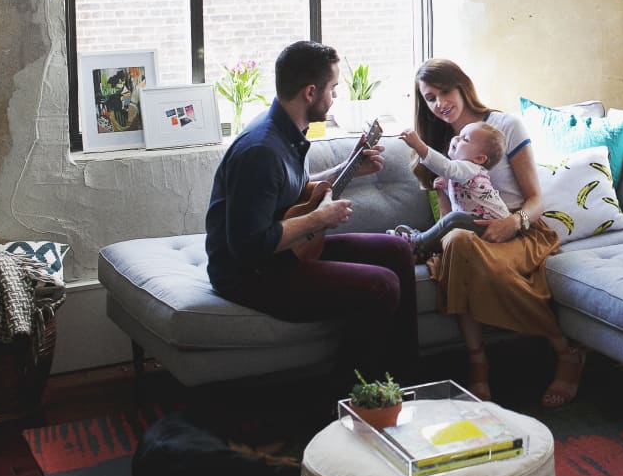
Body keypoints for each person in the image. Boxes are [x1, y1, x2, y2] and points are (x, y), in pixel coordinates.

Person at [204, 40, 418, 385]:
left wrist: (350, 168)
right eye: (332, 88)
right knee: (382, 285)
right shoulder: (261, 150)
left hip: (285, 252)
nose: (335, 97)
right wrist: (321, 218)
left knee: (396, 250)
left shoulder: (288, 131)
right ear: (310, 92)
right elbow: (249, 245)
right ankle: (350, 397)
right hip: (250, 273)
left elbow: (296, 191)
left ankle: (403, 379)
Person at [410, 58, 583, 407]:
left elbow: (536, 200)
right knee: (458, 245)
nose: (440, 103)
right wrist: (444, 207)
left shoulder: (504, 126)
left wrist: (513, 223)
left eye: (445, 91)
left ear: (462, 86)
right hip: (463, 232)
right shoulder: (440, 145)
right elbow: (449, 215)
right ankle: (479, 360)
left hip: (517, 229)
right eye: (430, 98)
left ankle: (564, 352)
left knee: (475, 260)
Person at [391, 122, 509, 260]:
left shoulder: (469, 167)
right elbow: (465, 198)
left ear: (479, 158)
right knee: (453, 222)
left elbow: (446, 167)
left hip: (491, 225)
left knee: (454, 219)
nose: (456, 138)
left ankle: (418, 242)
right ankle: (425, 249)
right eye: (459, 135)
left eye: (465, 139)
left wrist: (419, 146)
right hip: (480, 222)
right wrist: (447, 189)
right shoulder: (467, 172)